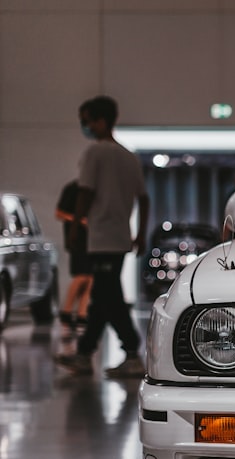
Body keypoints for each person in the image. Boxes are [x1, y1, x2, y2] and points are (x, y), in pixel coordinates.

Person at [56, 96, 149, 378]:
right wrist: (140, 234)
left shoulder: (95, 153)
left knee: (109, 298)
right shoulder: (129, 156)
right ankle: (85, 354)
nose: (84, 126)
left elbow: (85, 192)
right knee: (101, 296)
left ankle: (132, 352)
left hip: (101, 237)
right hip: (119, 237)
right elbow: (144, 199)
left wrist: (74, 230)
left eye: (86, 120)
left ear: (100, 120)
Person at [55, 180, 92, 340]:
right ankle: (67, 311)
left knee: (91, 278)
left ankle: (81, 313)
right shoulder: (72, 188)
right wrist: (79, 220)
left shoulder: (93, 189)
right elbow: (59, 213)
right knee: (81, 276)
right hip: (77, 239)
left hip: (91, 240)